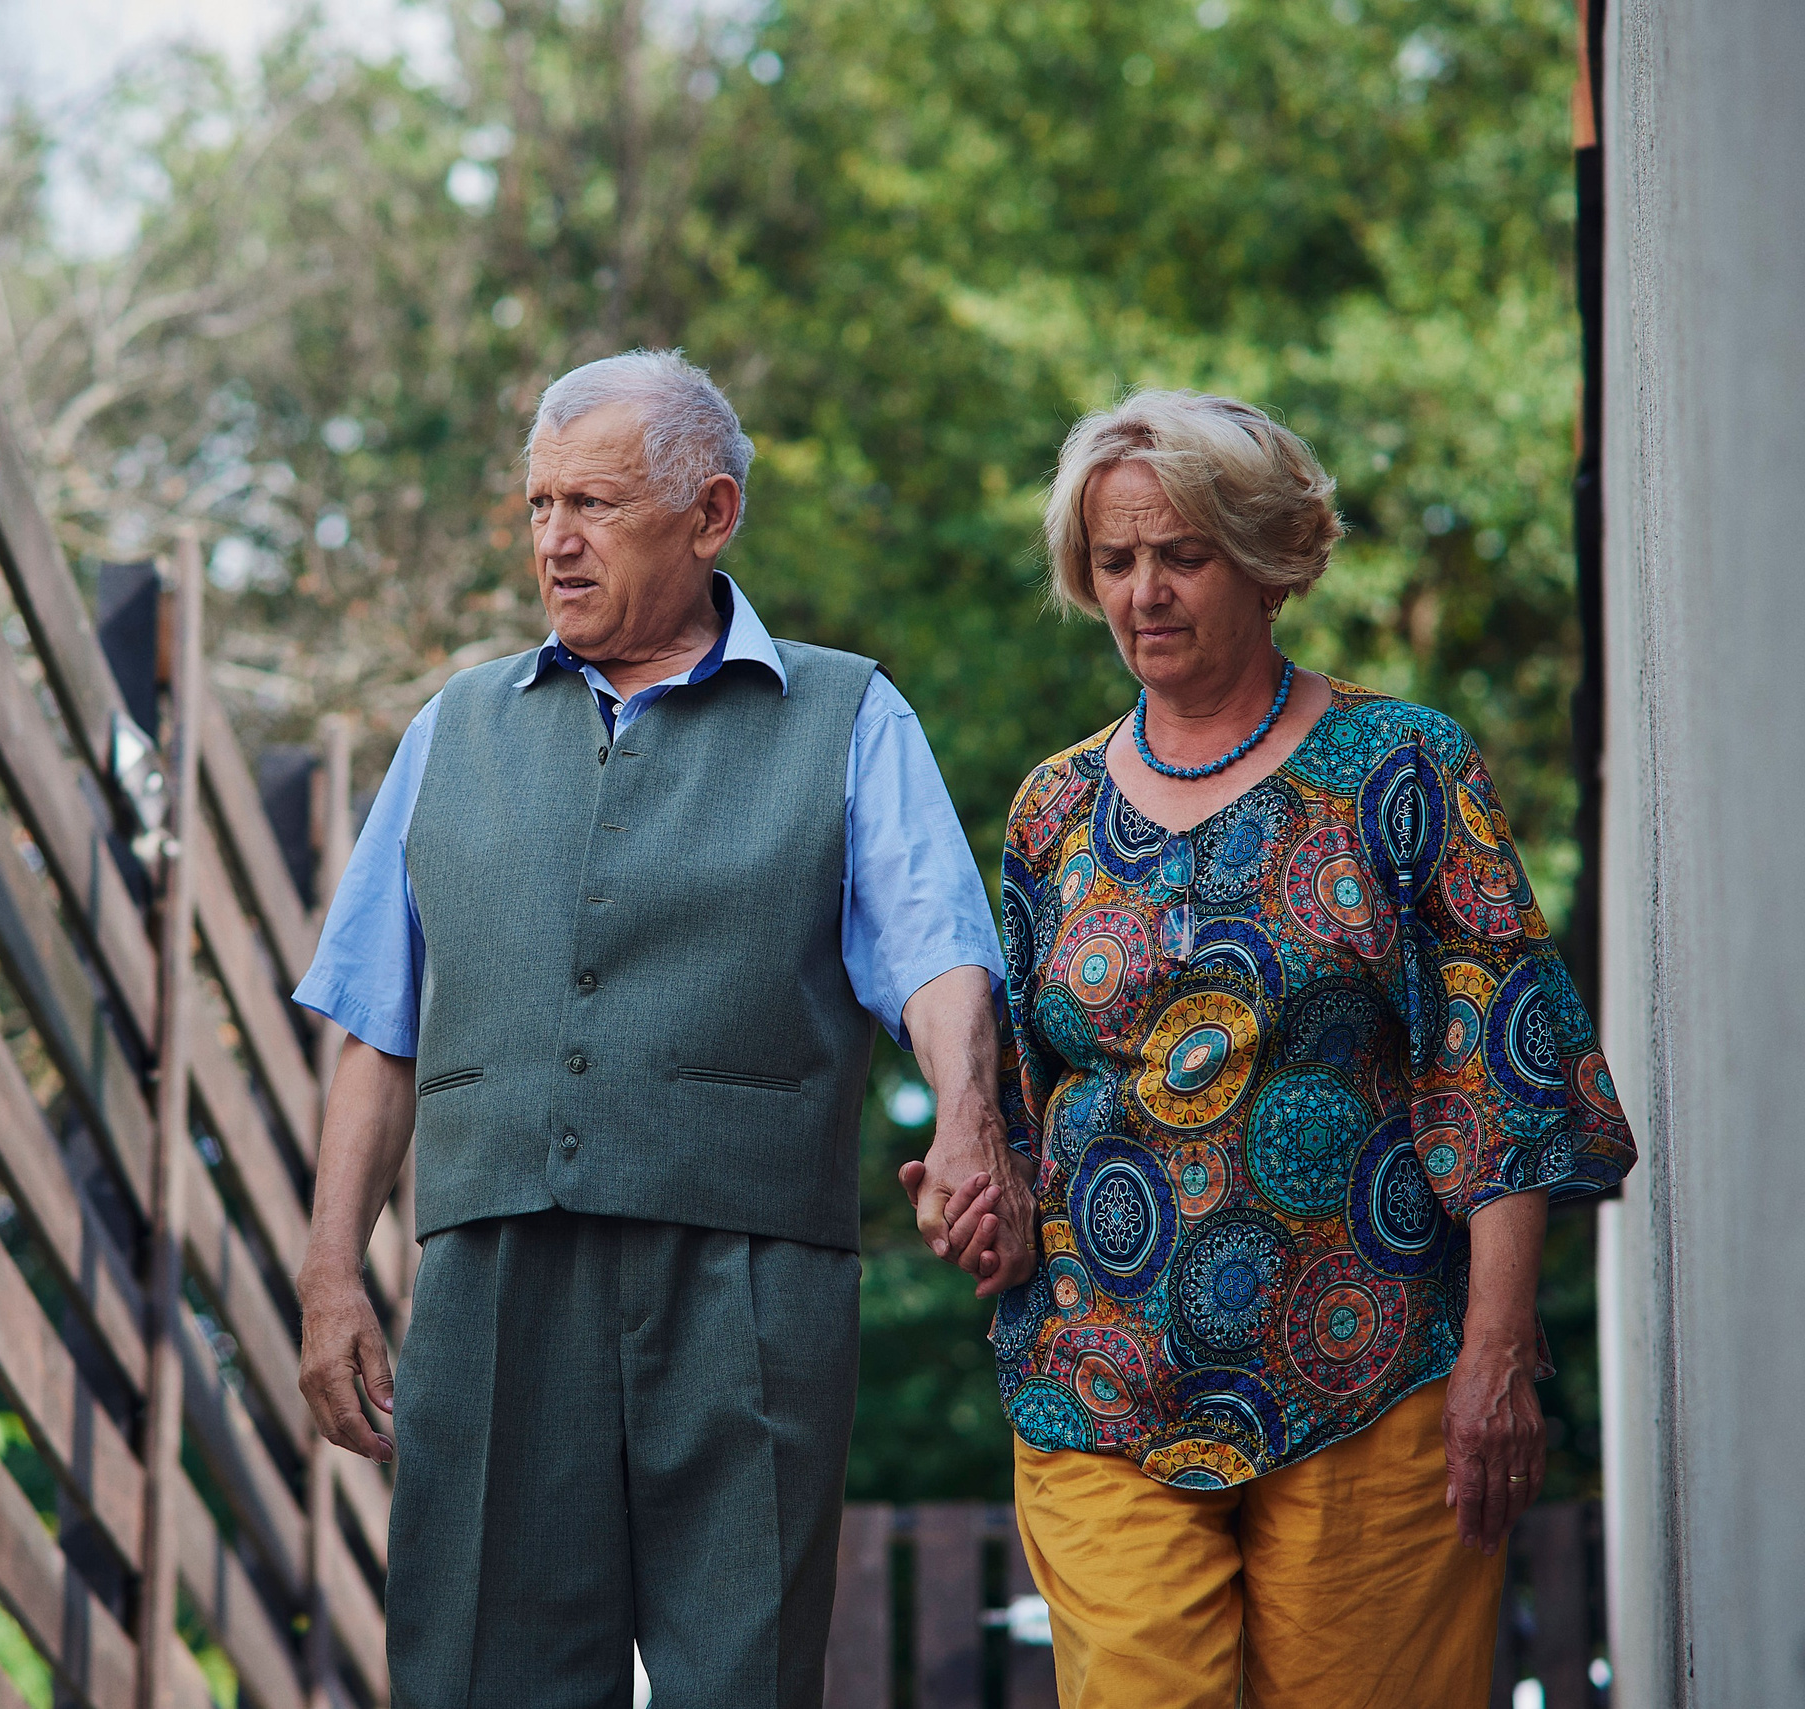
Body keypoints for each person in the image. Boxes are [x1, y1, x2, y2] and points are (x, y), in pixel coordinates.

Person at [293, 349, 1009, 1707]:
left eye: (598, 504)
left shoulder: (848, 715)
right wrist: (335, 1270)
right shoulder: (455, 728)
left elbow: (938, 959)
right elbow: (375, 1023)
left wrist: (968, 1119)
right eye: (539, 504)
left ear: (711, 513)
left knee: (740, 1674)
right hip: (497, 1269)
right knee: (478, 1672)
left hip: (748, 1277)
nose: (555, 541)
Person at [934, 389, 1638, 1707]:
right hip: (1104, 1387)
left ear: (1266, 557)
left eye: (1179, 554)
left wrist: (1496, 1356)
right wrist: (982, 1194)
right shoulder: (1054, 807)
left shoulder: (1404, 768)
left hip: (1371, 1375)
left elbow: (1504, 1074)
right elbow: (1033, 1100)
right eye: (1114, 559)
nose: (1143, 591)